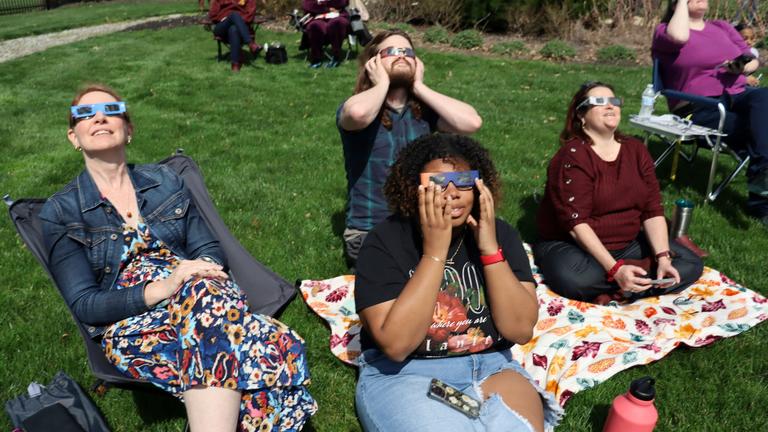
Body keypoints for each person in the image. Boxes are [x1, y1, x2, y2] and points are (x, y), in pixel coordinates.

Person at [39, 84, 316, 431]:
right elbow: (85, 303)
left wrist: (190, 277)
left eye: (112, 110)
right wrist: (162, 288)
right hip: (133, 322)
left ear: (128, 130)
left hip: (199, 294)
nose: (98, 117)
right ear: (74, 136)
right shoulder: (61, 211)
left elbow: (208, 249)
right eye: (84, 114)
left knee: (208, 296)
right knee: (276, 345)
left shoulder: (165, 181)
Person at [354, 133, 563, 432]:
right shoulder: (384, 241)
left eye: (463, 180)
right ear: (415, 186)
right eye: (438, 182)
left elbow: (519, 329)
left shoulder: (500, 234)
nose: (452, 192)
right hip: (406, 373)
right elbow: (397, 345)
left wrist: (491, 251)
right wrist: (434, 253)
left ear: (478, 186)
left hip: (493, 367)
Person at [534, 82, 704, 304]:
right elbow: (576, 225)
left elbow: (652, 209)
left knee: (689, 264)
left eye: (614, 101)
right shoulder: (572, 157)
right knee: (574, 279)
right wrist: (614, 270)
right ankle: (630, 281)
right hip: (575, 246)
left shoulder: (636, 150)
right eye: (599, 102)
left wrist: (662, 257)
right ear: (581, 115)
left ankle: (629, 284)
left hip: (627, 243)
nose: (610, 107)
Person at [338, 30, 482, 266]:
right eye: (392, 51)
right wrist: (382, 82)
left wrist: (418, 86)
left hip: (423, 223)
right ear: (373, 62)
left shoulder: (424, 113)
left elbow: (472, 123)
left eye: (408, 52)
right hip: (370, 230)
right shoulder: (358, 107)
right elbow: (358, 113)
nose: (402, 56)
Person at [652, 0, 768, 227]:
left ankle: (762, 173)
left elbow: (753, 59)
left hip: (738, 94)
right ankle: (761, 202)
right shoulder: (665, 32)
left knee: (764, 97)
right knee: (759, 127)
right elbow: (680, 38)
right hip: (699, 106)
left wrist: (741, 67)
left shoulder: (722, 27)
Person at [207, 0, 261, 72]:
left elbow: (250, 15)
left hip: (241, 29)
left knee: (234, 29)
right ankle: (250, 44)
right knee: (233, 15)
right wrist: (225, 18)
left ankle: (235, 65)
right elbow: (213, 15)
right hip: (222, 27)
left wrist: (238, 22)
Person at [302, 0, 350, 68]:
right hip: (318, 18)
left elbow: (341, 2)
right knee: (315, 25)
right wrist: (328, 8)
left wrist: (320, 3)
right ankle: (316, 59)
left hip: (338, 16)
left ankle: (336, 57)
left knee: (337, 23)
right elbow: (308, 6)